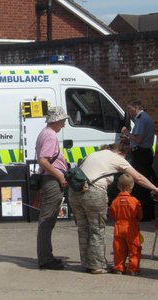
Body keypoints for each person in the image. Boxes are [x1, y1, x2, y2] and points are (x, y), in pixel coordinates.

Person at [68, 143, 158, 274]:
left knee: (83, 229)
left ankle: (87, 263)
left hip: (74, 192)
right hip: (93, 192)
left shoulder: (93, 154)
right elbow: (138, 177)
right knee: (97, 228)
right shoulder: (116, 158)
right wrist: (155, 188)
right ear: (121, 153)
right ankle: (97, 266)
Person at [36, 106, 69, 270]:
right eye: (63, 121)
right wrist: (60, 176)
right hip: (52, 180)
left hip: (49, 179)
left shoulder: (45, 132)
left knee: (48, 220)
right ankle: (45, 258)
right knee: (47, 220)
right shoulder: (50, 135)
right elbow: (43, 160)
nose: (63, 125)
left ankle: (47, 255)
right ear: (56, 120)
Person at [121, 100, 156, 221]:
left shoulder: (141, 118)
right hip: (144, 153)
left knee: (140, 184)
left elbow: (139, 139)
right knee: (144, 183)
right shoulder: (145, 117)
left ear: (135, 107)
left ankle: (144, 214)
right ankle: (147, 213)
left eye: (129, 109)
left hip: (141, 153)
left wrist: (127, 134)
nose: (128, 112)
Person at [109, 174, 143, 276]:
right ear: (131, 187)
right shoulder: (134, 201)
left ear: (119, 186)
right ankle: (133, 269)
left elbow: (112, 215)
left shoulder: (114, 201)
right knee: (134, 249)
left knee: (119, 248)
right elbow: (140, 215)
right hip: (131, 226)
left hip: (118, 226)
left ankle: (119, 268)